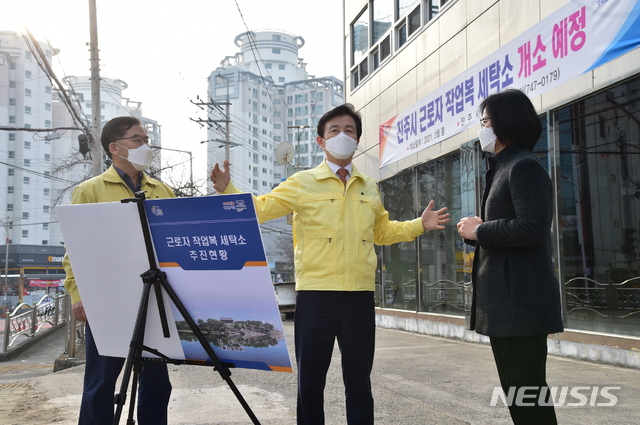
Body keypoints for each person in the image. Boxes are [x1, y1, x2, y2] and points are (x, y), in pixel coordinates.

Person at [211, 104, 450, 425]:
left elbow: (383, 231)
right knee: (310, 383)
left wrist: (419, 224)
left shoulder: (369, 186)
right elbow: (260, 209)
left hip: (359, 299)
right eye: (334, 130)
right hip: (315, 298)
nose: (342, 136)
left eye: (349, 131)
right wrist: (228, 189)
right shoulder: (302, 183)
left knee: (360, 383)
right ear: (320, 141)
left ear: (358, 141)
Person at [456, 89, 564, 425]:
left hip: (521, 303)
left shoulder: (523, 166)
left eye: (486, 121)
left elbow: (532, 227)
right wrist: (477, 232)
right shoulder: (504, 166)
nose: (482, 128)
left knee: (528, 396)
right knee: (520, 396)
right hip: (508, 303)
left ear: (504, 122)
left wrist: (481, 231)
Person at [63, 116, 175, 425]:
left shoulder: (162, 191)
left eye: (146, 139)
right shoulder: (90, 191)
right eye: (137, 140)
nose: (145, 145)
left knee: (156, 384)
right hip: (107, 304)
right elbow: (75, 252)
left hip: (153, 304)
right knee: (101, 383)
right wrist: (77, 295)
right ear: (115, 148)